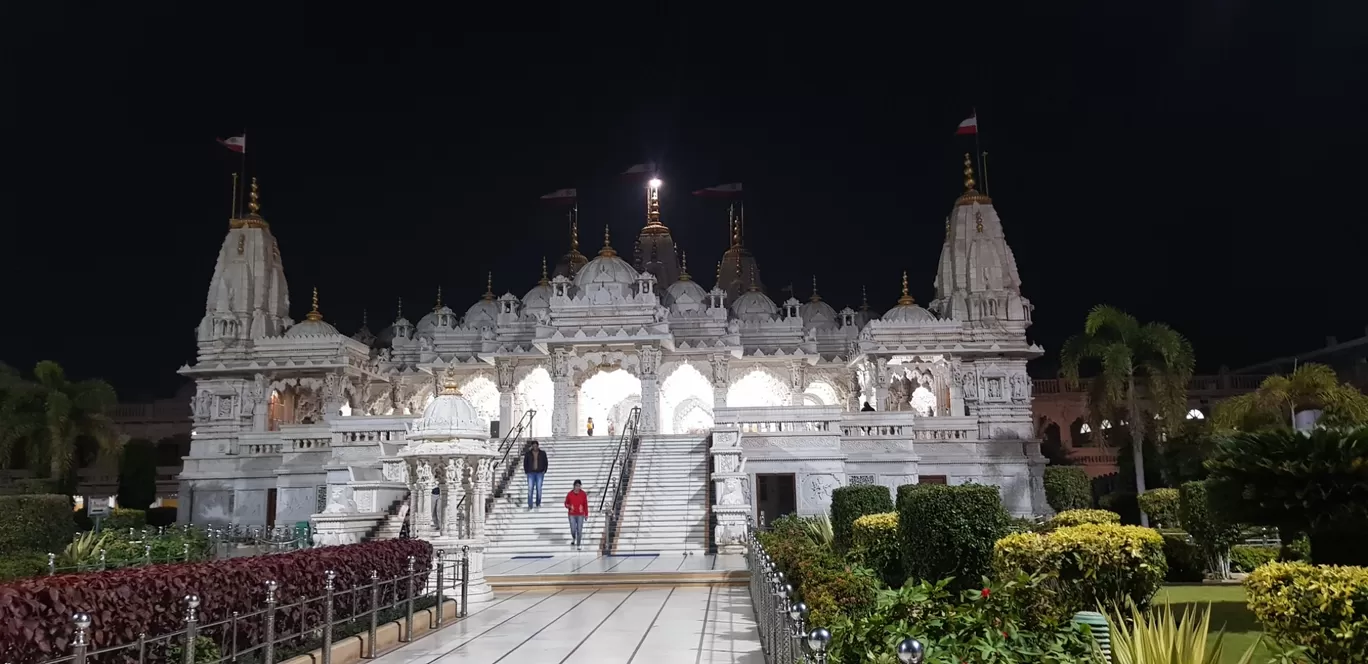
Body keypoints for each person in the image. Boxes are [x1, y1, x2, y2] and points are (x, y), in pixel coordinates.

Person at [564, 479, 589, 550]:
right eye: (576, 486)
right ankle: (574, 537)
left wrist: (586, 514)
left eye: (579, 486)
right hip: (572, 514)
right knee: (573, 529)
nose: (578, 487)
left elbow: (585, 505)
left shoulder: (583, 494)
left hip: (580, 514)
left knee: (579, 529)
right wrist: (569, 506)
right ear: (574, 486)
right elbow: (566, 503)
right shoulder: (570, 494)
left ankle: (578, 544)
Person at [523, 439, 548, 509]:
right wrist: (526, 471)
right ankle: (530, 504)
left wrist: (544, 470)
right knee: (530, 489)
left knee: (539, 488)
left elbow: (545, 462)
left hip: (539, 473)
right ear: (532, 446)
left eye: (536, 446)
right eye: (533, 446)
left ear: (538, 446)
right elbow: (525, 463)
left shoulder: (542, 453)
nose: (535, 447)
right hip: (530, 473)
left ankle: (538, 503)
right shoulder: (528, 454)